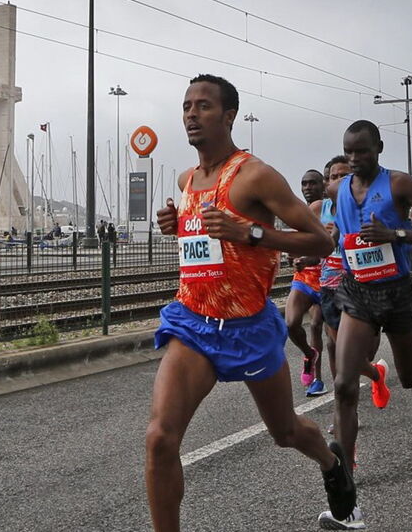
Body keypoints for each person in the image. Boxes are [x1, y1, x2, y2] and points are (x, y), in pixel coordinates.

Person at [146, 74, 357, 532]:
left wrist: (252, 232)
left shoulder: (254, 175)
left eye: (203, 106)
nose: (191, 114)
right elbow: (203, 241)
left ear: (228, 116)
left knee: (285, 433)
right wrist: (175, 224)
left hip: (249, 326)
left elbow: (320, 241)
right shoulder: (186, 179)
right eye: (186, 106)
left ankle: (330, 460)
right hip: (195, 322)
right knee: (161, 439)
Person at [329, 120, 412, 505]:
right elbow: (338, 233)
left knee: (410, 378)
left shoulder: (400, 184)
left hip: (398, 292)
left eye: (362, 151)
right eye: (349, 152)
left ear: (379, 148)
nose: (354, 159)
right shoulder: (338, 189)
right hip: (357, 292)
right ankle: (345, 472)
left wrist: (397, 235)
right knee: (344, 385)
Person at [313, 156, 390, 440]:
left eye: (345, 175)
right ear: (327, 183)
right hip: (327, 287)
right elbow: (318, 239)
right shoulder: (319, 209)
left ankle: (364, 385)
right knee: (339, 352)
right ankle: (366, 385)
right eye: (334, 176)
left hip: (358, 287)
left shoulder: (363, 205)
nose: (340, 181)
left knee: (352, 355)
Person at [286, 169, 328, 396]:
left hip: (326, 279)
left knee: (316, 326)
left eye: (313, 183)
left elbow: (329, 247)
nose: (307, 188)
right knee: (291, 324)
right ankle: (309, 354)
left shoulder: (327, 210)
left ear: (323, 186)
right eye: (304, 183)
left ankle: (319, 381)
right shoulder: (298, 212)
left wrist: (309, 257)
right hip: (303, 279)